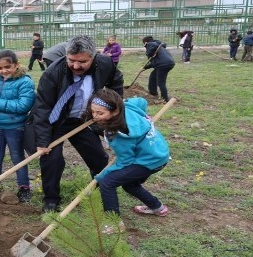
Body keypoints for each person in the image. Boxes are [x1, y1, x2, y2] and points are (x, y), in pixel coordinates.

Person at [28, 34, 124, 212]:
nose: (76, 66)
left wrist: (113, 106)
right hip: (55, 121)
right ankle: (51, 199)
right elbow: (43, 107)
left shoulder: (105, 64)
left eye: (82, 62)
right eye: (71, 60)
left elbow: (116, 81)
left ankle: (100, 189)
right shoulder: (52, 74)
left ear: (93, 57)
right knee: (52, 160)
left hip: (82, 120)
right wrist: (42, 141)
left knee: (98, 157)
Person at [87, 88, 169, 218]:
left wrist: (102, 176)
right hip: (159, 152)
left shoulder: (119, 135)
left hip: (148, 160)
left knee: (108, 183)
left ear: (115, 111)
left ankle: (113, 223)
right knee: (129, 184)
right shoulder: (128, 106)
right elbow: (141, 101)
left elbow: (125, 162)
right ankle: (157, 207)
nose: (95, 117)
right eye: (93, 112)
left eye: (100, 113)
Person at [0, 50, 35, 201]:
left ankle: (24, 188)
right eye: (0, 68)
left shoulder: (25, 82)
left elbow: (23, 105)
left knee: (17, 157)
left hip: (15, 127)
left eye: (7, 67)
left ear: (16, 64)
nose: (4, 71)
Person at [142, 36, 175, 103]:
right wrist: (145, 67)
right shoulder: (158, 46)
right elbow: (155, 62)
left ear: (145, 42)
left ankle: (165, 99)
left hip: (163, 65)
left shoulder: (151, 44)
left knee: (161, 82)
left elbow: (153, 47)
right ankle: (153, 93)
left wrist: (149, 54)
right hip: (166, 63)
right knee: (153, 76)